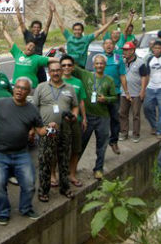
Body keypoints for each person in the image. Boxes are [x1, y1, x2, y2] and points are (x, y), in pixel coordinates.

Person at [0, 78, 53, 225]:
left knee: (29, 183)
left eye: (23, 88)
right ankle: (3, 212)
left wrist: (51, 128)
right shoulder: (1, 103)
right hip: (0, 153)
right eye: (17, 87)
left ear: (29, 91)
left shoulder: (32, 109)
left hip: (21, 153)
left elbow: (40, 130)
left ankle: (25, 208)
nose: (19, 90)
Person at [33, 61, 78, 202]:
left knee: (64, 160)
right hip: (47, 130)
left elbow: (75, 106)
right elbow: (33, 110)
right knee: (45, 161)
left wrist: (74, 116)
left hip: (65, 129)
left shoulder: (69, 88)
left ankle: (65, 188)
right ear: (49, 72)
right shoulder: (41, 87)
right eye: (53, 71)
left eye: (58, 70)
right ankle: (43, 191)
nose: (56, 73)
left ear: (61, 71)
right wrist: (36, 129)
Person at [72, 54, 117, 180]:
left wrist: (106, 99)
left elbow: (114, 97)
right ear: (93, 65)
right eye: (97, 63)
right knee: (80, 143)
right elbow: (73, 67)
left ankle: (98, 169)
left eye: (101, 63)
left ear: (105, 65)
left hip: (103, 117)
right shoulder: (86, 75)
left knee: (101, 145)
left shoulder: (109, 80)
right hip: (88, 116)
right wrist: (65, 51)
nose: (99, 65)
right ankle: (72, 168)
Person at [54, 5, 118, 68]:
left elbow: (99, 31)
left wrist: (111, 21)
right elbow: (60, 25)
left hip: (80, 67)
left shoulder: (86, 39)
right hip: (69, 66)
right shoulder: (69, 37)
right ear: (73, 31)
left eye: (79, 30)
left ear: (82, 31)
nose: (77, 32)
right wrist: (54, 11)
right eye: (75, 30)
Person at [60, 54, 87, 187]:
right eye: (63, 65)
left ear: (73, 67)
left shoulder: (78, 82)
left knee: (76, 149)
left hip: (76, 120)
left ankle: (72, 174)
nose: (66, 67)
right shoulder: (56, 81)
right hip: (60, 122)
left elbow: (81, 101)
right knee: (60, 150)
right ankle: (57, 174)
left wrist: (84, 118)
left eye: (69, 65)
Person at [1, 22, 55, 88]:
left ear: (34, 50)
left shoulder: (37, 58)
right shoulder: (18, 53)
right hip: (16, 86)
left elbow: (54, 59)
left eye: (33, 47)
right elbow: (10, 41)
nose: (30, 48)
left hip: (31, 88)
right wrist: (3, 30)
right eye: (29, 45)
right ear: (26, 46)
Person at [13, 0, 54, 83]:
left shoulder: (42, 36)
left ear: (40, 28)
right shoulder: (27, 34)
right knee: (29, 82)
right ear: (31, 28)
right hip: (29, 62)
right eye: (34, 27)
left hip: (38, 62)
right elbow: (21, 22)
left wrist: (51, 12)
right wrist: (17, 9)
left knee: (43, 82)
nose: (36, 29)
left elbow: (47, 25)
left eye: (38, 27)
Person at [102, 38, 129, 155]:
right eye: (106, 43)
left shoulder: (117, 57)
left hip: (115, 93)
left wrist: (126, 91)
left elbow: (122, 75)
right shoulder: (99, 58)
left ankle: (114, 141)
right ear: (103, 46)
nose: (109, 45)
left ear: (114, 46)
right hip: (101, 93)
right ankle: (102, 143)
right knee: (102, 120)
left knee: (115, 118)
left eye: (111, 44)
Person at [119, 42, 148, 142]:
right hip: (124, 92)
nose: (125, 52)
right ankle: (124, 132)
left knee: (136, 114)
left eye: (127, 50)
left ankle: (136, 134)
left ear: (132, 50)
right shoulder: (121, 61)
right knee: (123, 113)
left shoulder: (140, 62)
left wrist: (143, 90)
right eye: (124, 50)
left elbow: (144, 77)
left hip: (136, 92)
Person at [142, 41, 161, 138]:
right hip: (151, 87)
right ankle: (154, 126)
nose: (157, 50)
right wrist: (144, 89)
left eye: (159, 48)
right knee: (147, 108)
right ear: (152, 49)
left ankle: (160, 131)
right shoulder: (150, 59)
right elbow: (147, 75)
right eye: (155, 48)